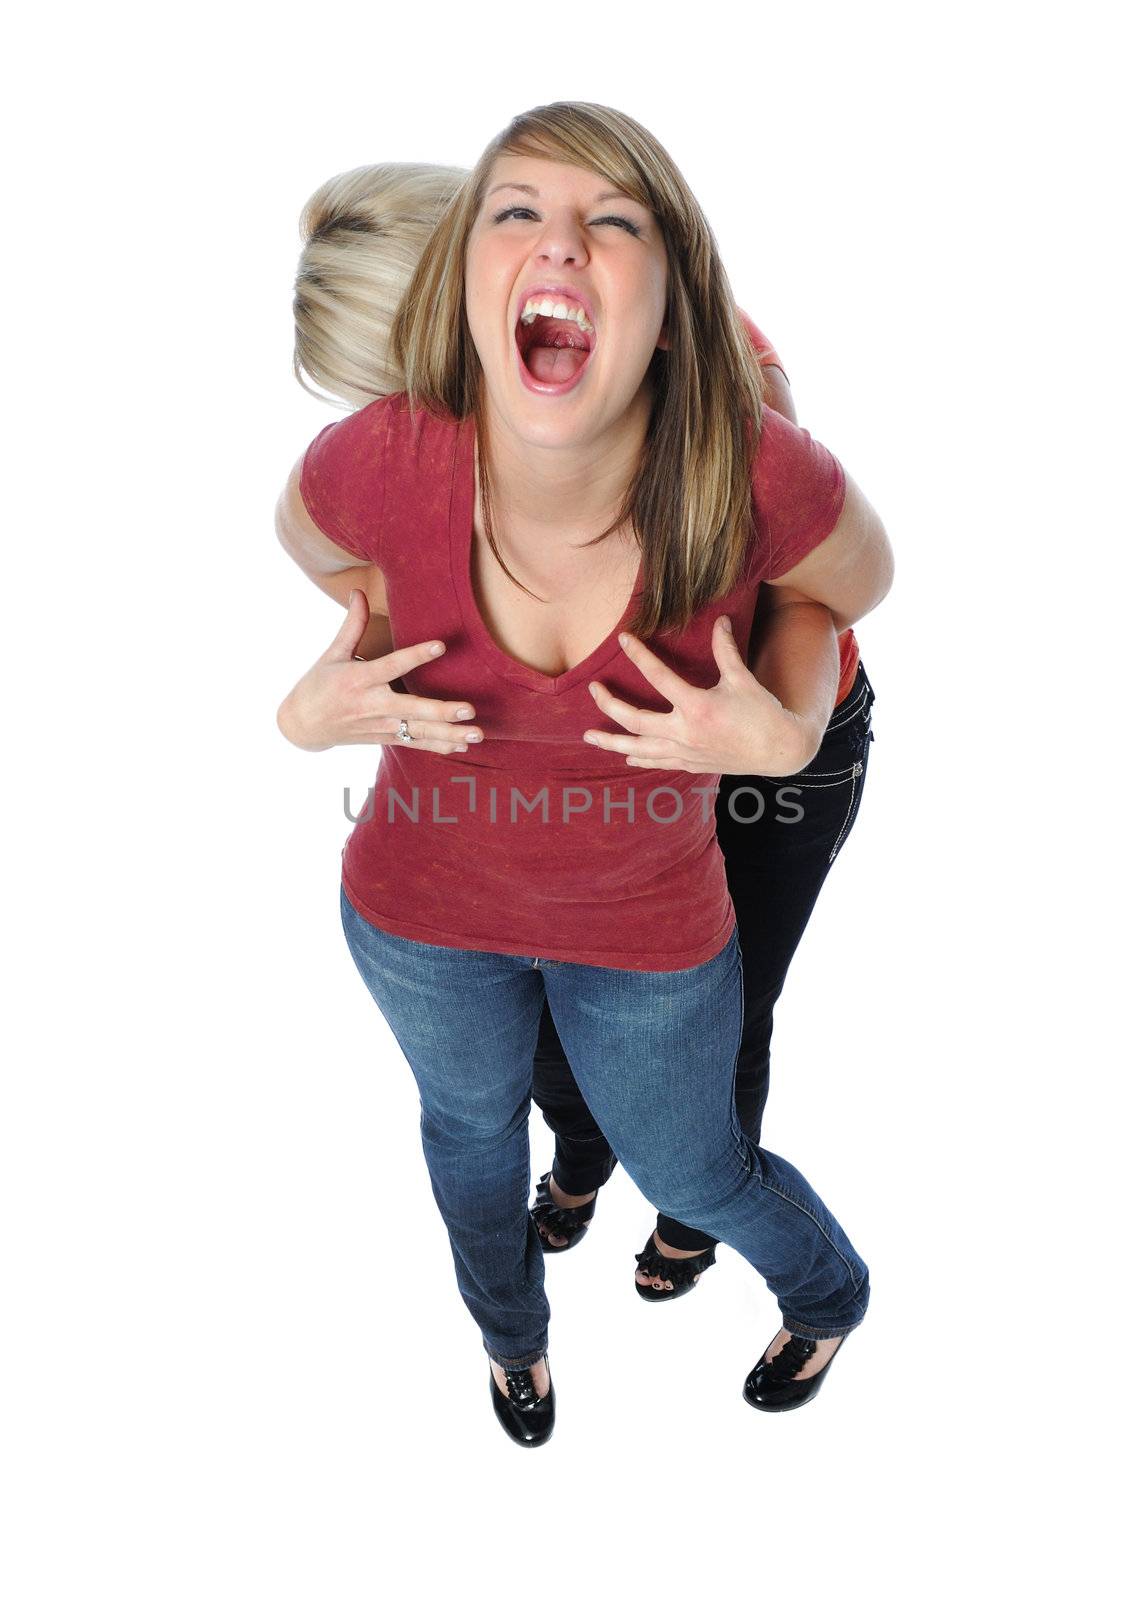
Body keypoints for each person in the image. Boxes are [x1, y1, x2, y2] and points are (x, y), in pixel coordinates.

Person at [275, 102, 893, 1447]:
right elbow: (342, 544)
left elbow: (820, 591)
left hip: (773, 736)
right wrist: (346, 662)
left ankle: (681, 1195)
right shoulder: (403, 454)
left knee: (713, 1033)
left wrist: (777, 735)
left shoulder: (723, 412)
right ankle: (586, 1165)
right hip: (515, 848)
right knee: (521, 1059)